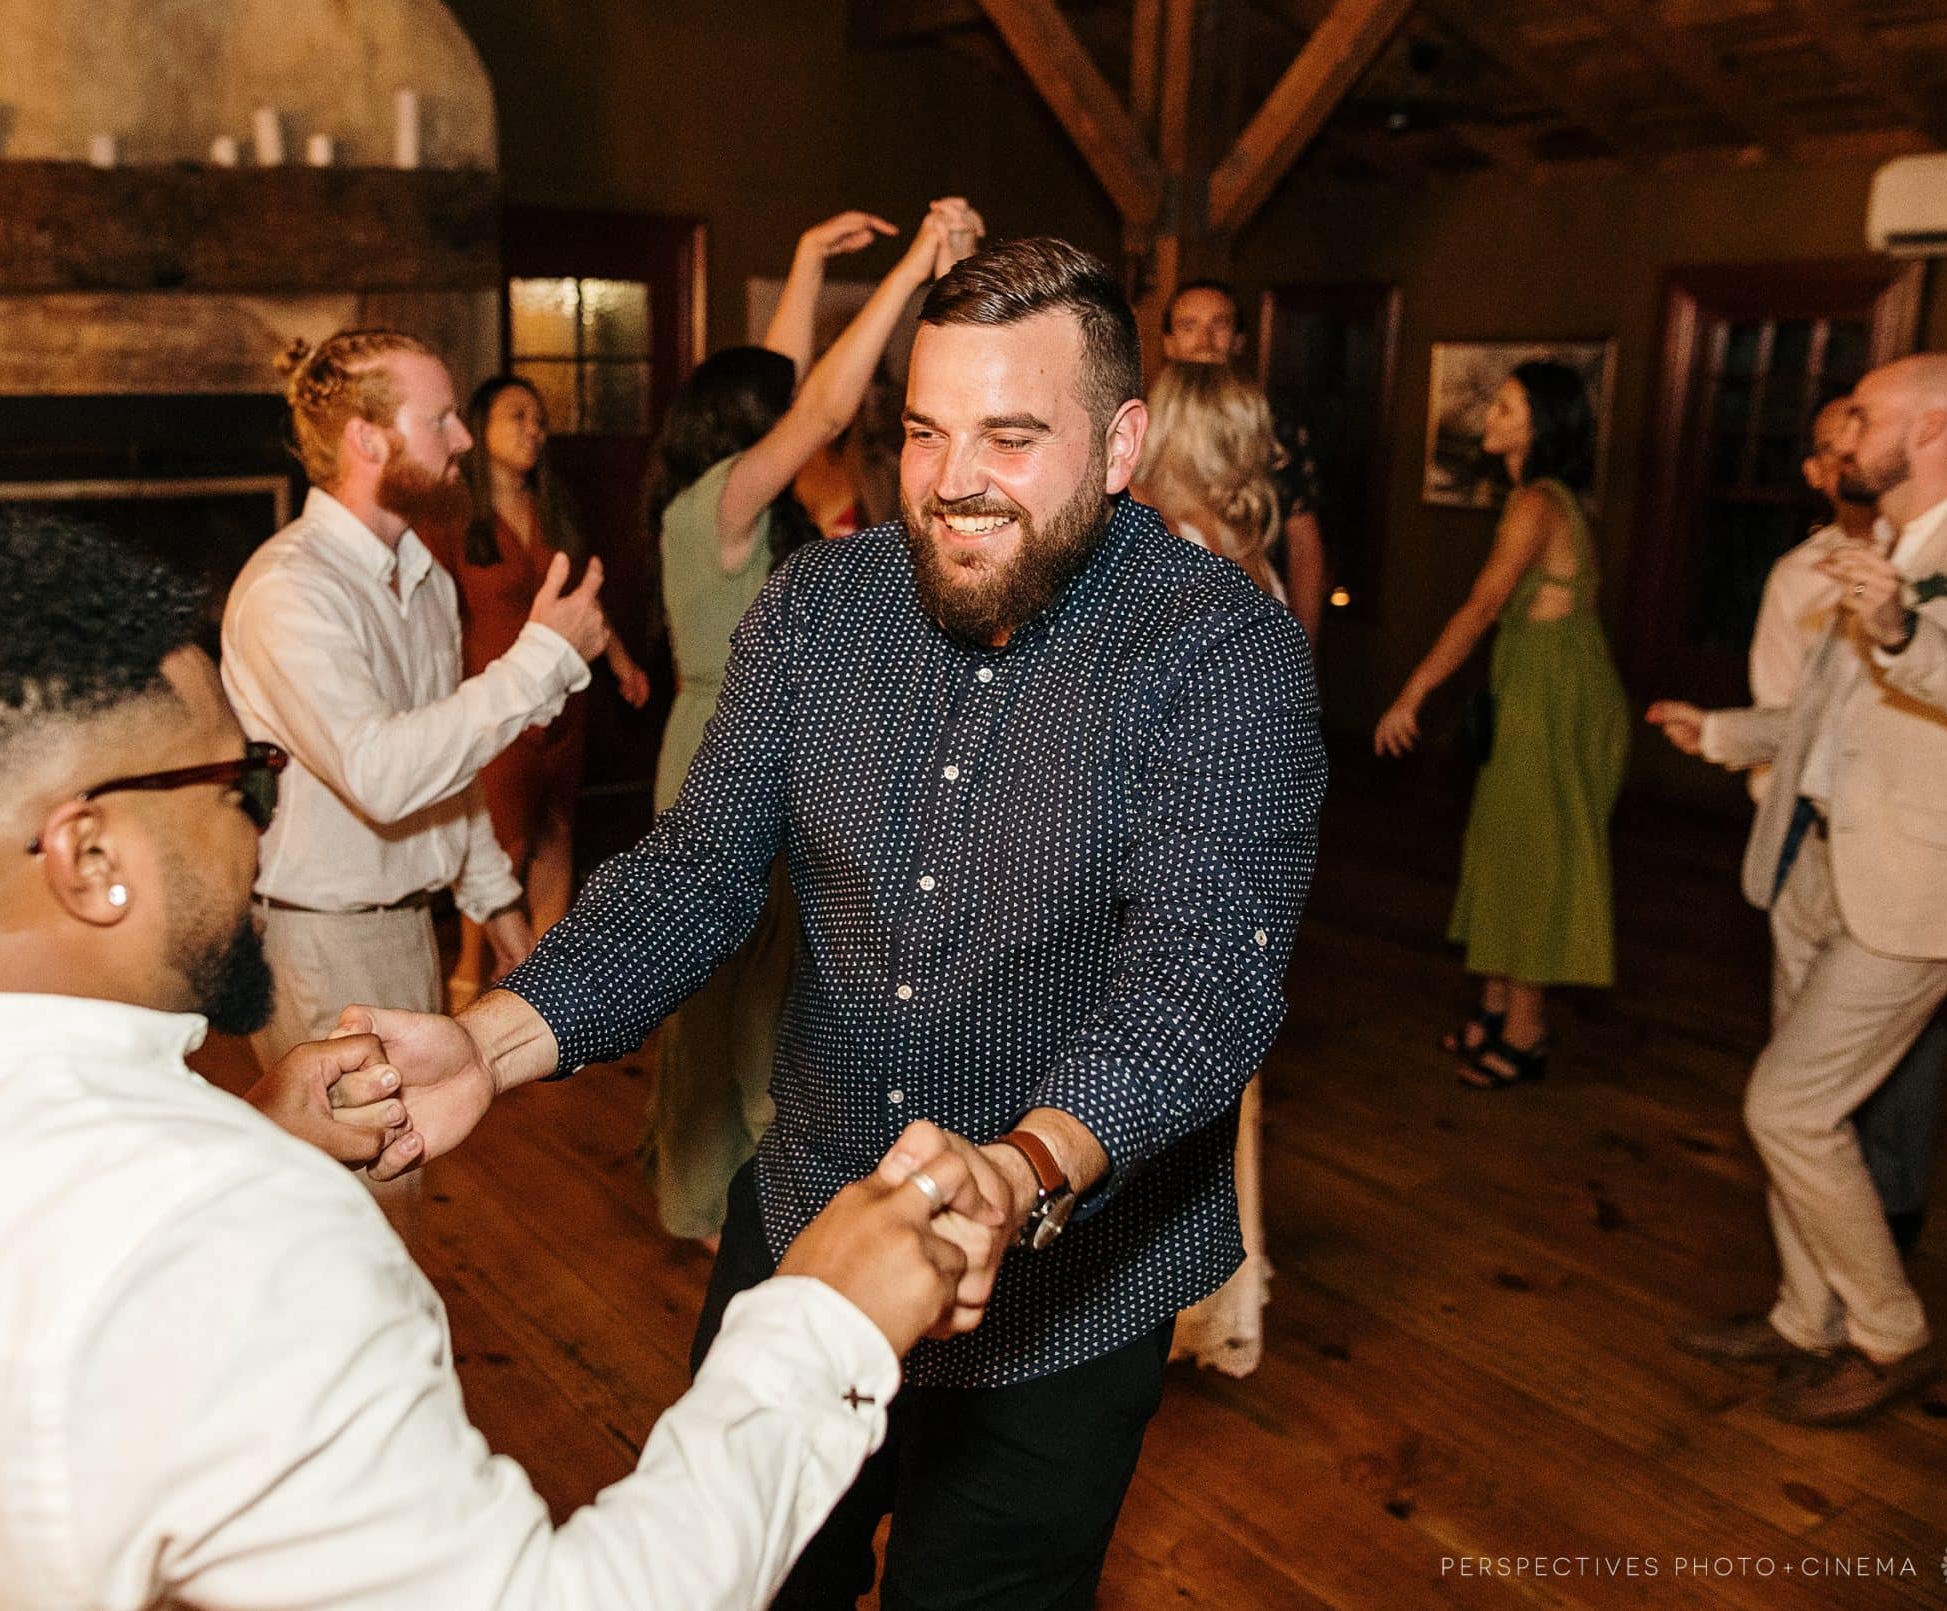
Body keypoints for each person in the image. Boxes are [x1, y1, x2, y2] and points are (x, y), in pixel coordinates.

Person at [0, 516, 1001, 1611]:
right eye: (242, 783)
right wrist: (821, 1321)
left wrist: (245, 1138)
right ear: (91, 857)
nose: (259, 833)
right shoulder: (231, 1231)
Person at [350, 237, 1325, 1609]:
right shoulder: (817, 606)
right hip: (810, 1225)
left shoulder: (1220, 650)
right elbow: (695, 870)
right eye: (924, 431)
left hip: (1064, 1293)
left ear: (1120, 446)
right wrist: (491, 1041)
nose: (953, 479)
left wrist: (1025, 1166)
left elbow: (1200, 974)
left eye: (1010, 437)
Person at [1648, 352, 1947, 1426]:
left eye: (1862, 417)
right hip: (1815, 859)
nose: (1841, 437)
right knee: (1812, 1109)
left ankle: (1891, 1333)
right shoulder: (1885, 544)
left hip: (1923, 880)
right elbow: (1831, 716)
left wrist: (1903, 629)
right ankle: (1803, 1318)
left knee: (1789, 1107)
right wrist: (1723, 733)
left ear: (1932, 427)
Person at [643, 200, 980, 1245]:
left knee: (761, 988)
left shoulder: (721, 500)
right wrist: (913, 269)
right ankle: (737, 1208)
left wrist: (802, 261)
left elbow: (787, 391)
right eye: (775, 418)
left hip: (770, 751)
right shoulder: (715, 506)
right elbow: (820, 412)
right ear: (750, 432)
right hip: (722, 758)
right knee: (736, 994)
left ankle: (755, 1196)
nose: (796, 426)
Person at [221, 331, 611, 1073]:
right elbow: (383, 774)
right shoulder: (290, 589)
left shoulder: (423, 576)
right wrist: (543, 659)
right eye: (440, 420)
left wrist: (496, 900)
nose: (463, 438)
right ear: (367, 440)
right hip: (321, 942)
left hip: (407, 927)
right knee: (357, 1154)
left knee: (409, 1146)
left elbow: (442, 762)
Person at [1374, 361, 1629, 1089]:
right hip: (1536, 687)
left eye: (1509, 407)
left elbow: (1483, 606)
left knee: (1538, 860)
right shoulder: (1534, 497)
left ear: (1542, 425)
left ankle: (1526, 1031)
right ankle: (1493, 1010)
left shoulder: (1538, 502)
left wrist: (1412, 694)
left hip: (1558, 698)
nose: (1492, 414)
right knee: (1502, 845)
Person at [1747, 400, 1945, 1254]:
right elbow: (1780, 717)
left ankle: (1889, 1214)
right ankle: (1817, 1254)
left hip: (1909, 856)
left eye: (1861, 436)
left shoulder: (1935, 558)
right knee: (1799, 1065)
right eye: (1834, 447)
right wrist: (1785, 835)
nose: (1849, 457)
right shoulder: (1798, 576)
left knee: (1902, 1046)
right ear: (1819, 472)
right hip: (1812, 840)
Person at [1131, 359, 1287, 1379]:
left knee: (1161, 1085)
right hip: (1242, 867)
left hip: (1180, 865)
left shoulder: (1173, 566)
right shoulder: (1249, 558)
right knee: (1220, 1091)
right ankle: (1216, 1299)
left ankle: (1172, 1305)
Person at [429, 375, 648, 998]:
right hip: (494, 702)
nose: (534, 430)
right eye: (517, 416)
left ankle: (545, 984)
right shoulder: (454, 518)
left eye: (540, 420)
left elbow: (583, 598)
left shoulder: (552, 509)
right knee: (501, 842)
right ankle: (470, 980)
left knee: (556, 833)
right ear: (481, 429)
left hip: (563, 702)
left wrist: (621, 662)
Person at [1156, 279, 1327, 643]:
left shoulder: (1273, 425)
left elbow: (1304, 546)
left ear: (1238, 340)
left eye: (1219, 324)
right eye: (1189, 326)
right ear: (1167, 343)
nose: (1205, 340)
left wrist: (1303, 653)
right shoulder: (1138, 432)